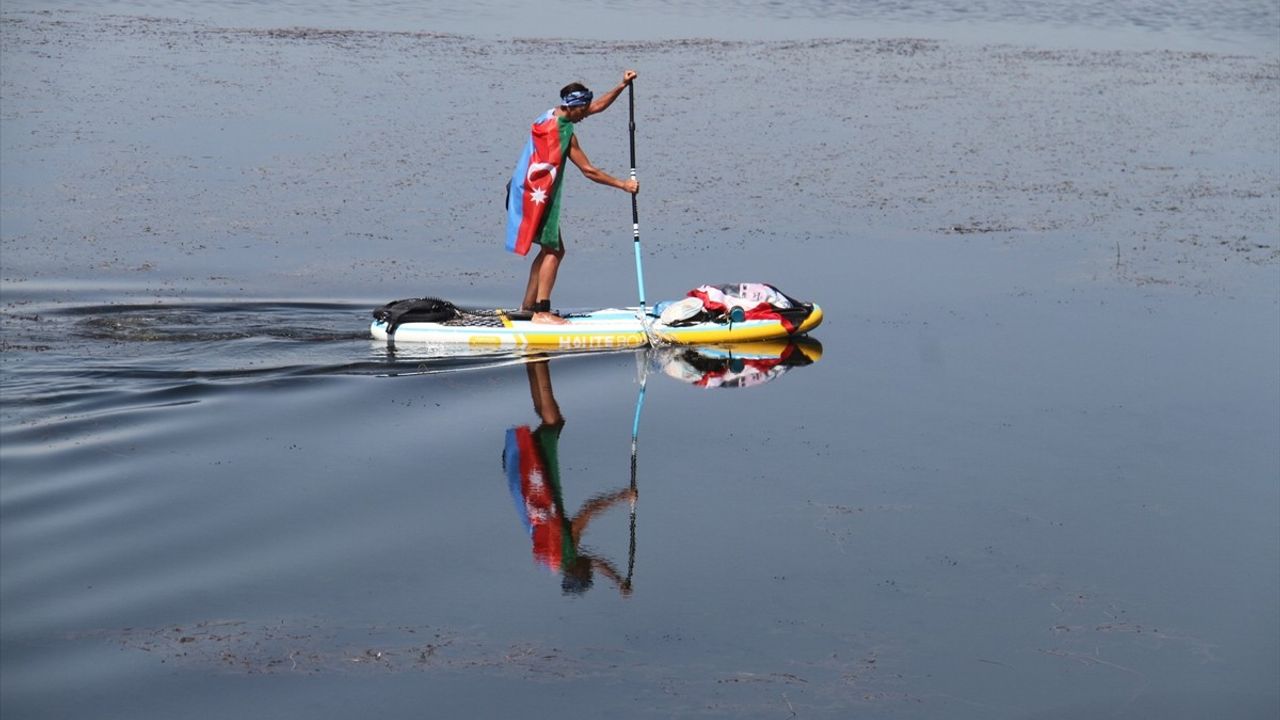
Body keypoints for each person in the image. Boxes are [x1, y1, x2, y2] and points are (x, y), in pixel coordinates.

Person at [505, 70, 640, 325]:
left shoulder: (552, 113)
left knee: (549, 249)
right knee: (554, 251)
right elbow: (589, 171)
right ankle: (542, 312)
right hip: (536, 198)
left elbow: (596, 106)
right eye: (584, 111)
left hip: (521, 190)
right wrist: (623, 185)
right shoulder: (562, 132)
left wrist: (622, 86)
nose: (586, 115)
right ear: (575, 107)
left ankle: (528, 307)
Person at [502, 359, 637, 595]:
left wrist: (622, 496)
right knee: (549, 422)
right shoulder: (556, 557)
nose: (591, 570)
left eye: (588, 575)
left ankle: (539, 358)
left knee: (553, 421)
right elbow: (595, 561)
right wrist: (616, 580)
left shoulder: (566, 548)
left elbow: (589, 510)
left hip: (539, 472)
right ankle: (532, 360)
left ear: (579, 571)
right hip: (529, 478)